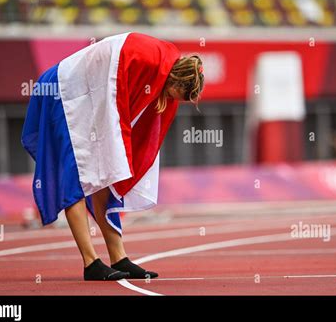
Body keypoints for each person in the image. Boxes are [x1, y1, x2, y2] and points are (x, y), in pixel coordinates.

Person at [22, 32, 204, 281]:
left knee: (105, 174)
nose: (173, 102)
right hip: (63, 93)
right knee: (74, 176)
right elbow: (115, 94)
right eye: (177, 97)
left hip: (89, 96)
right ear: (176, 82)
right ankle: (90, 262)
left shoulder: (161, 65)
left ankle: (118, 256)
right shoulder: (149, 61)